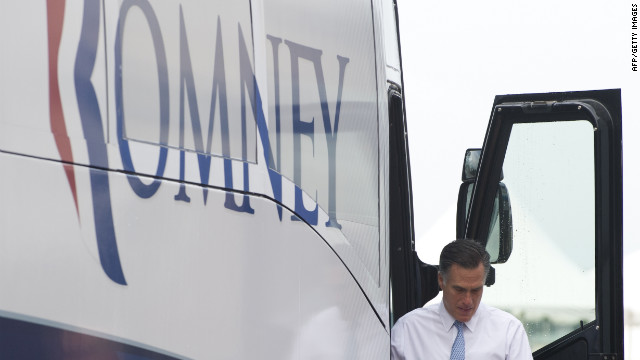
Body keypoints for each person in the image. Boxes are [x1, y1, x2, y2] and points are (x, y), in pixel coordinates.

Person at [391, 239, 533, 359]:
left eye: (476, 290)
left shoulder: (509, 331)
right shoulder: (408, 330)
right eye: (459, 290)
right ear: (441, 280)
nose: (467, 301)